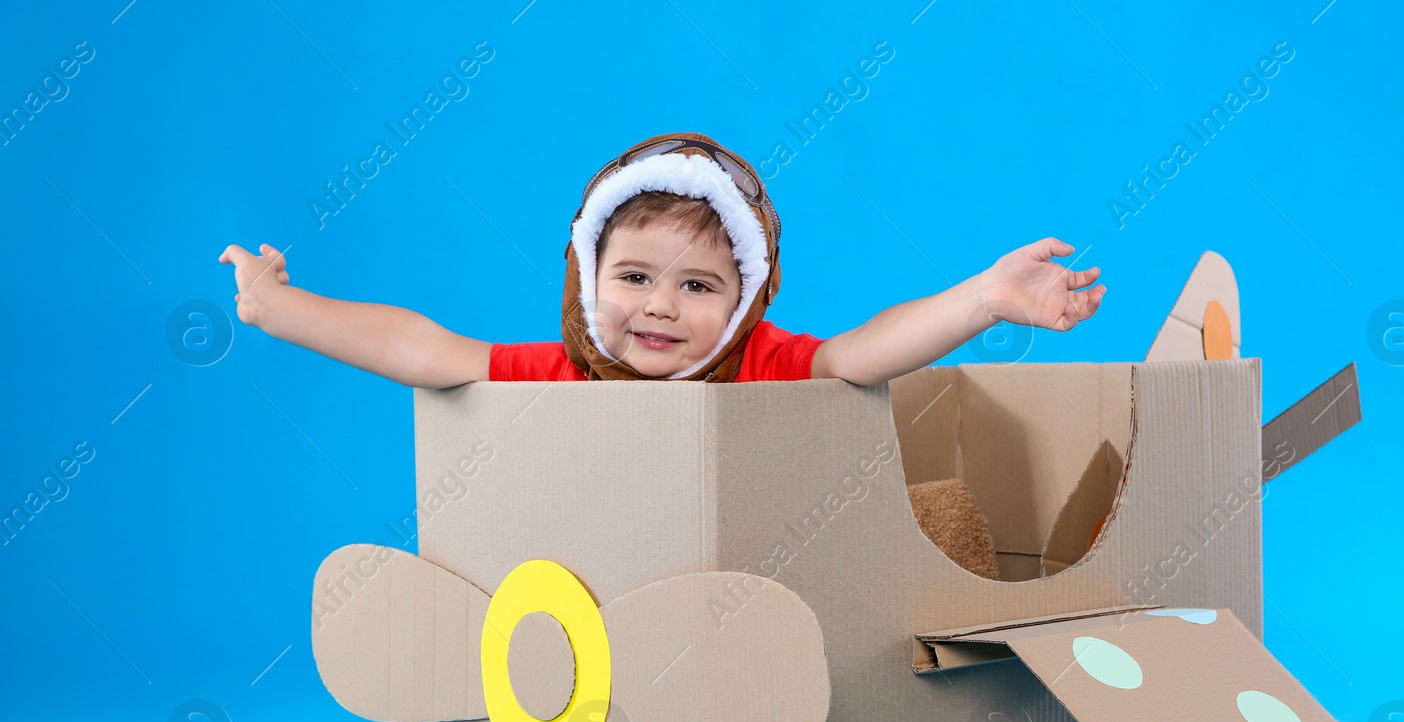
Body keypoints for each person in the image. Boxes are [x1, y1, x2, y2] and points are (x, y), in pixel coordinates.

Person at [218, 132, 1105, 389]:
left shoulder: (759, 365)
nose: (661, 308)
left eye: (699, 286)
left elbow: (861, 353)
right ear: (588, 281)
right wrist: (280, 309)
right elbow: (423, 351)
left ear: (743, 301)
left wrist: (985, 297)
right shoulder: (571, 372)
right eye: (634, 277)